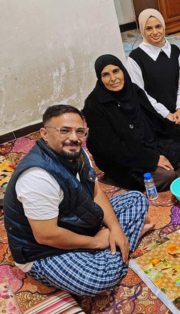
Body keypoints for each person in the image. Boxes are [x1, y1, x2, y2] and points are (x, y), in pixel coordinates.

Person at [3, 105, 153, 296]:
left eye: (80, 131)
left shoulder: (77, 153)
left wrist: (115, 228)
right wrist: (96, 242)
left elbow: (96, 192)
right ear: (45, 134)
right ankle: (125, 241)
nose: (74, 137)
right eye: (64, 130)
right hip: (43, 250)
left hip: (75, 220)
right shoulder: (37, 177)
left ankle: (116, 242)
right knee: (97, 281)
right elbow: (46, 236)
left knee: (136, 199)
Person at [84, 55, 180, 192]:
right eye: (106, 75)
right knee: (167, 176)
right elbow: (113, 148)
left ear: (123, 71)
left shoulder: (134, 91)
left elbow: (157, 120)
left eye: (116, 71)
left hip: (146, 144)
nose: (113, 78)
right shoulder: (94, 106)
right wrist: (153, 159)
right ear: (100, 78)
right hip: (120, 158)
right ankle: (112, 178)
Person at [127, 10, 180, 140]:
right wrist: (166, 114)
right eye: (149, 28)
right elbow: (140, 94)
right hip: (154, 115)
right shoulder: (135, 58)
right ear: (142, 31)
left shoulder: (174, 51)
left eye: (158, 26)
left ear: (164, 27)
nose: (155, 32)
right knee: (179, 148)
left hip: (178, 111)